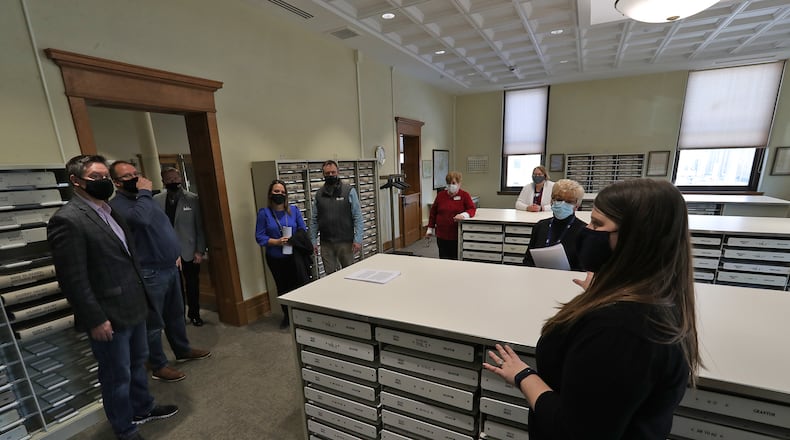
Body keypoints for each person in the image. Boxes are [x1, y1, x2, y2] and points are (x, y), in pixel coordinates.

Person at [484, 178, 700, 439]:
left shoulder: (619, 330)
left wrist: (523, 374)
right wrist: (602, 293)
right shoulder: (659, 298)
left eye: (598, 224)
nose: (588, 230)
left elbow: (573, 431)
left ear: (634, 239)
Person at [47, 155, 177, 440]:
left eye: (106, 175)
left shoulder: (108, 210)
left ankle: (143, 407)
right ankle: (125, 428)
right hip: (107, 315)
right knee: (116, 375)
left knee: (138, 362)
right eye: (96, 177)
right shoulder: (67, 220)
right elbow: (72, 278)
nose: (104, 181)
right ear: (76, 181)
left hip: (134, 305)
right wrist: (95, 318)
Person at [109, 161, 211, 383]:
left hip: (170, 266)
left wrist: (173, 250)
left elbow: (163, 225)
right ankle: (158, 365)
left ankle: (182, 350)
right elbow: (141, 220)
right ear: (116, 183)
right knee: (154, 323)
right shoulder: (119, 205)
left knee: (176, 314)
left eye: (137, 173)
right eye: (128, 176)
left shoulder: (146, 201)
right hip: (149, 271)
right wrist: (145, 192)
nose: (135, 178)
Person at [154, 167, 207, 327]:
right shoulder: (156, 200)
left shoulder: (193, 199)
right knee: (173, 288)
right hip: (168, 253)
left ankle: (195, 314)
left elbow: (199, 226)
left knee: (192, 285)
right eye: (169, 179)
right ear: (163, 181)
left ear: (180, 179)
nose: (173, 182)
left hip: (189, 251)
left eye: (175, 178)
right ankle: (178, 317)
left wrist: (200, 250)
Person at [255, 179, 311, 328]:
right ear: (270, 194)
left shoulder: (294, 211)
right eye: (276, 191)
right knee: (282, 287)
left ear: (286, 195)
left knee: (298, 285)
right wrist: (277, 242)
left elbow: (303, 230)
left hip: (294, 255)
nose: (279, 194)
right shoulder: (264, 213)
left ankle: (301, 315)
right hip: (275, 257)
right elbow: (259, 236)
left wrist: (292, 239)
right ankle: (287, 316)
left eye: (282, 192)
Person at [309, 160, 364, 274]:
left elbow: (358, 217)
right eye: (327, 173)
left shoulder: (349, 191)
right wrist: (313, 241)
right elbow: (314, 220)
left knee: (349, 274)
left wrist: (358, 239)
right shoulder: (319, 194)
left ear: (338, 172)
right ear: (323, 174)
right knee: (330, 276)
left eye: (333, 172)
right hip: (326, 244)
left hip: (346, 243)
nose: (330, 175)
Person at [523, 179, 587, 271]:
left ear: (576, 205)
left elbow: (583, 270)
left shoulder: (584, 231)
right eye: (559, 199)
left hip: (567, 281)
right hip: (538, 278)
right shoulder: (540, 226)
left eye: (569, 201)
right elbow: (527, 261)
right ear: (552, 200)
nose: (562, 204)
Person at [425, 171, 476, 260]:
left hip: (456, 234)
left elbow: (472, 209)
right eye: (448, 183)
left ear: (459, 183)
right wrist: (430, 229)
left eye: (453, 183)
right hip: (442, 234)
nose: (450, 185)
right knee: (443, 257)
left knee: (455, 258)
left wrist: (463, 215)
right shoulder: (441, 195)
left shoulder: (464, 195)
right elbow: (433, 212)